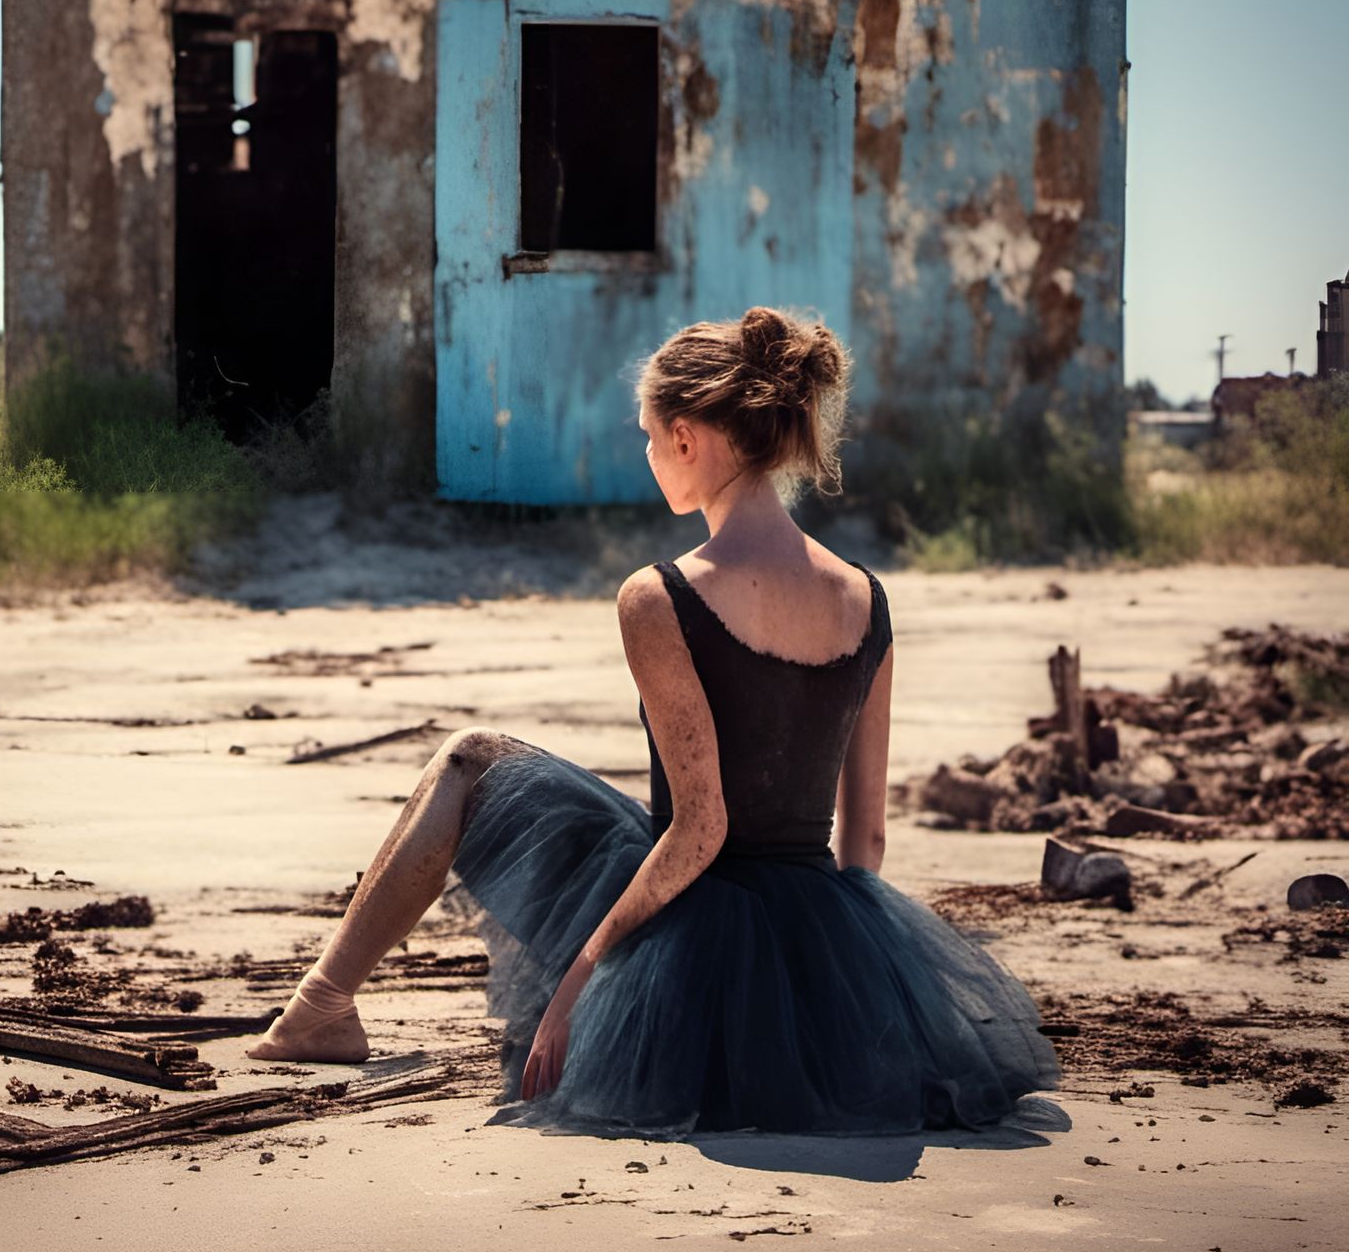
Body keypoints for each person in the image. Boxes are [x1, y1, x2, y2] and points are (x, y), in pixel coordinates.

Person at [245, 305, 1061, 1137]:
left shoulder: (661, 595)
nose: (644, 455)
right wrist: (855, 1002)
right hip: (819, 913)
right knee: (593, 812)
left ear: (686, 439)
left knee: (469, 762)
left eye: (646, 435)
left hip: (691, 911)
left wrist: (578, 985)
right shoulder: (866, 597)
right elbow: (867, 847)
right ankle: (324, 1006)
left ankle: (321, 1005)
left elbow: (701, 829)